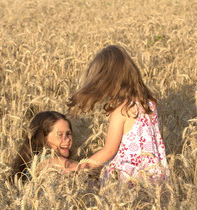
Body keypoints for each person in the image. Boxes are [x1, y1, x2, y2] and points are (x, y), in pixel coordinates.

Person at [67, 45, 169, 184]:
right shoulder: (150, 104)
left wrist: (82, 167)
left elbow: (109, 150)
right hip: (154, 175)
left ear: (107, 81)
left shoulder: (121, 111)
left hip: (128, 179)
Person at [11, 111, 78, 180]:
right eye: (60, 135)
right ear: (43, 137)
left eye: (68, 134)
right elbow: (82, 168)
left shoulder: (35, 161)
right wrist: (89, 162)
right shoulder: (50, 161)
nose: (67, 140)